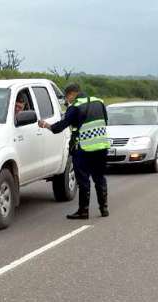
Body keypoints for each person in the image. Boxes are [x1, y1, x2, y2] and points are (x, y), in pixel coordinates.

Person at [38, 83, 110, 219]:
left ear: (71, 94)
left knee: (83, 181)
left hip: (83, 149)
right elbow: (105, 121)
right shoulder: (99, 102)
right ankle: (104, 209)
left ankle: (83, 211)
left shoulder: (75, 107)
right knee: (100, 178)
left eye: (67, 97)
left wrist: (45, 125)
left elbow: (58, 128)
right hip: (101, 146)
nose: (67, 100)